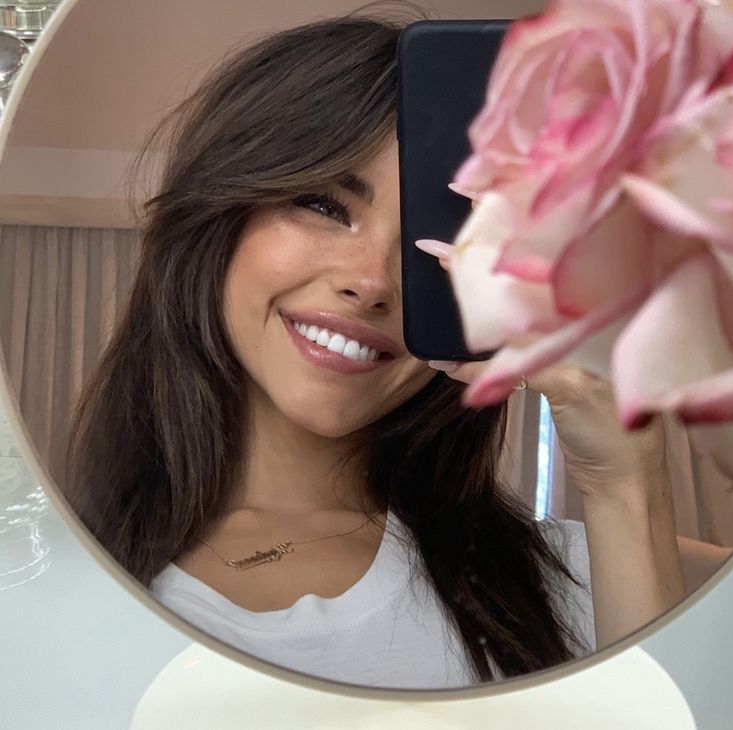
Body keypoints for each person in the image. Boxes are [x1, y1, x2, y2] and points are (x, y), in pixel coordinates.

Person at [65, 15, 685, 689]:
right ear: (217, 218)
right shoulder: (44, 579)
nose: (371, 282)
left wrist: (624, 481)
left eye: (434, 237)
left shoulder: (582, 577)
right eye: (323, 206)